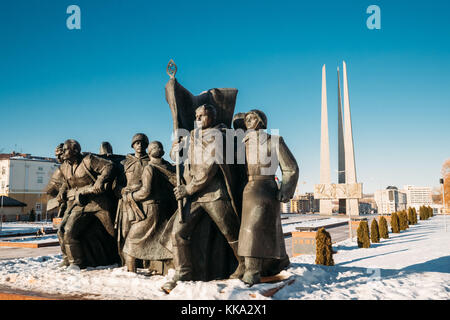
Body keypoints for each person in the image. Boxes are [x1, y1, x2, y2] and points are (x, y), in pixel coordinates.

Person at [162, 104, 245, 292]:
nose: (199, 119)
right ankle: (183, 271)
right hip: (195, 196)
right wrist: (176, 147)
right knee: (178, 232)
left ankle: (245, 265)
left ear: (212, 117)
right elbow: (176, 157)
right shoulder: (191, 135)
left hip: (213, 193)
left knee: (230, 231)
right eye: (196, 116)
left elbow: (210, 168)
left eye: (203, 115)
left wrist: (188, 189)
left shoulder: (218, 135)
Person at [238, 109, 299, 285]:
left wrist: (285, 189)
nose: (248, 121)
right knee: (258, 230)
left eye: (252, 118)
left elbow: (290, 167)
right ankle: (273, 264)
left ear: (261, 121)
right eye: (246, 118)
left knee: (253, 228)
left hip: (266, 188)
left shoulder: (274, 141)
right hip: (248, 189)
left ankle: (252, 271)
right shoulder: (242, 143)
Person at [56, 139, 118, 271]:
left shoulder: (88, 159)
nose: (63, 152)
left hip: (98, 202)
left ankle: (122, 258)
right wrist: (62, 192)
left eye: (66, 149)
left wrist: (100, 180)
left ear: (75, 150)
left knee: (113, 232)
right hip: (80, 203)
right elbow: (66, 183)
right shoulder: (64, 166)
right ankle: (73, 261)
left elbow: (109, 166)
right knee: (64, 230)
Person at [121, 141, 177, 273]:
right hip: (165, 208)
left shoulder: (149, 168)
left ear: (150, 152)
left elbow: (146, 192)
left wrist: (131, 196)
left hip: (150, 209)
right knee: (162, 240)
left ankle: (131, 272)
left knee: (130, 242)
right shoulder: (168, 166)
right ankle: (169, 269)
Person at [114, 133, 150, 269]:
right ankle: (127, 263)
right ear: (133, 145)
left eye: (142, 143)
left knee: (143, 233)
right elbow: (116, 185)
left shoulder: (151, 161)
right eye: (137, 143)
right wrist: (121, 190)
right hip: (127, 202)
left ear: (146, 145)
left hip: (145, 201)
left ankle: (144, 263)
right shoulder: (124, 163)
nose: (139, 145)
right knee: (125, 233)